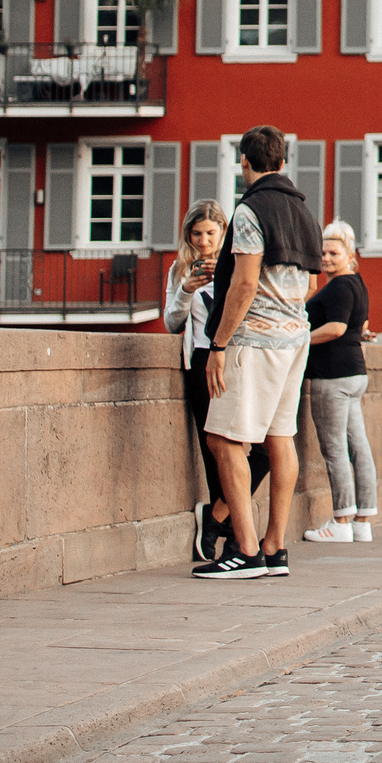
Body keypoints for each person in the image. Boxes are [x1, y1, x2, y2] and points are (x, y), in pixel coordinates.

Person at [193, 127, 321, 582]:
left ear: (245, 162)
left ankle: (244, 551)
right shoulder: (305, 211)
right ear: (282, 163)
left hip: (255, 340)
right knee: (280, 438)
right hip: (295, 337)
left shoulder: (250, 210)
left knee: (223, 439)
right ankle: (275, 546)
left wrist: (220, 344)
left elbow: (244, 283)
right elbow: (311, 285)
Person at [164, 200, 264, 561]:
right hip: (202, 360)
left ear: (224, 232)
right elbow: (171, 323)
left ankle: (216, 516)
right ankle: (237, 541)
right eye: (197, 234)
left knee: (260, 447)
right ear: (188, 236)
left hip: (236, 357)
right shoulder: (179, 270)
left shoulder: (239, 264)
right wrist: (186, 289)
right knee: (214, 453)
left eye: (211, 233)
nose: (204, 241)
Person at [303, 221, 379, 546]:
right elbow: (359, 325)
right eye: (322, 252)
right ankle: (363, 521)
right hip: (354, 372)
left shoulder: (336, 287)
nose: (326, 258)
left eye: (334, 252)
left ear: (350, 254)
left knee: (335, 449)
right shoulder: (357, 284)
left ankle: (341, 521)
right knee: (358, 447)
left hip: (332, 375)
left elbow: (335, 327)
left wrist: (299, 339)